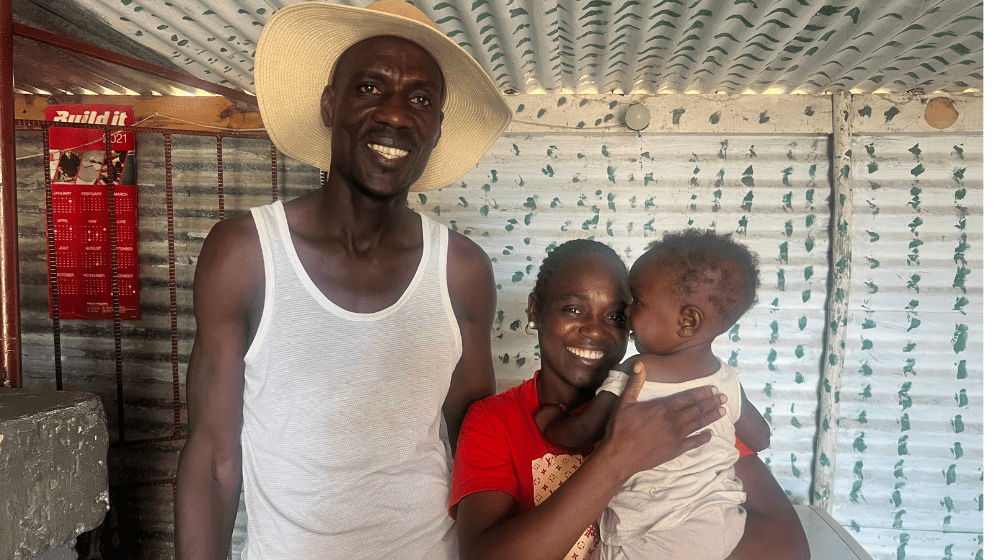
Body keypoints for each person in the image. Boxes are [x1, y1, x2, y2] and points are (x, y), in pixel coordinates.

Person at [174, 1, 511, 559]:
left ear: (436, 130)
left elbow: (480, 452)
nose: (397, 115)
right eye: (371, 88)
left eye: (421, 99)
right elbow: (213, 457)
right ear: (331, 104)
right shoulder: (246, 254)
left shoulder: (461, 272)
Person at [450, 239, 810, 560]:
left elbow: (789, 546)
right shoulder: (494, 421)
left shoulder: (681, 402)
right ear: (534, 311)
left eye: (617, 316)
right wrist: (617, 459)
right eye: (573, 309)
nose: (595, 330)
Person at [535, 230, 771, 560]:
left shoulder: (639, 370)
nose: (628, 313)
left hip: (651, 537)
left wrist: (551, 421)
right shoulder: (726, 378)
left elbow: (584, 430)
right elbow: (760, 437)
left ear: (687, 321)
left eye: (638, 302)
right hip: (719, 528)